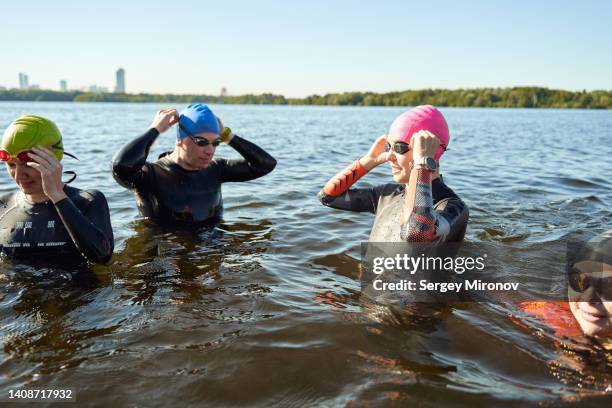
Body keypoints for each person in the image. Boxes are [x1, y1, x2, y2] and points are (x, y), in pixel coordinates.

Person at [318, 105, 468, 244]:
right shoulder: (386, 195)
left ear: (431, 152)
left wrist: (422, 163)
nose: (390, 156)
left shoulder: (453, 208)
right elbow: (328, 197)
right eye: (388, 147)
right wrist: (367, 161)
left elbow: (417, 234)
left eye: (400, 147)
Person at [112, 104, 276, 227]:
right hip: (168, 257)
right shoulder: (151, 175)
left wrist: (228, 135)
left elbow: (265, 164)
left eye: (216, 143)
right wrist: (155, 130)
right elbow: (121, 166)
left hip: (212, 250)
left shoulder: (216, 169)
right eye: (201, 142)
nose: (210, 150)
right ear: (179, 140)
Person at [0, 115, 114, 264]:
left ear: (53, 160)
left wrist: (57, 196)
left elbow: (101, 257)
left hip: (73, 287)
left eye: (28, 164)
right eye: (11, 165)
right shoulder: (3, 205)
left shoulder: (87, 201)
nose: (19, 174)